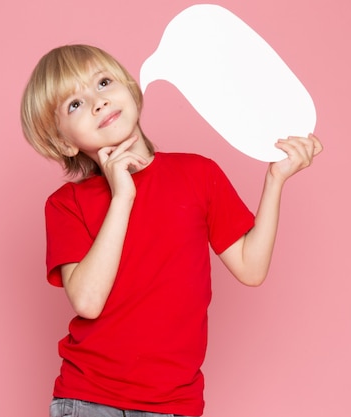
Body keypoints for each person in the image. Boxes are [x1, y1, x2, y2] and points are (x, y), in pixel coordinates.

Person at [20, 44, 323, 417]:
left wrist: (275, 180)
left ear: (131, 90)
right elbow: (88, 301)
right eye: (75, 104)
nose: (97, 102)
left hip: (175, 404)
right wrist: (122, 198)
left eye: (103, 82)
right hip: (90, 400)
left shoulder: (198, 174)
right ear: (65, 141)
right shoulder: (66, 204)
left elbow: (251, 267)